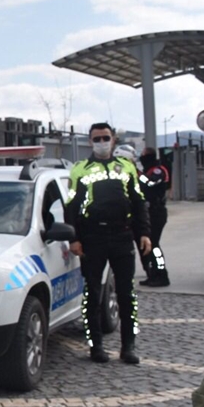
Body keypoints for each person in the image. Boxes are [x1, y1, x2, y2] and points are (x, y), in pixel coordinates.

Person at [65, 123, 151, 365]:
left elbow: (138, 201)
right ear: (90, 141)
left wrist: (144, 233)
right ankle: (96, 347)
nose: (101, 142)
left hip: (122, 235)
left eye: (105, 137)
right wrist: (74, 238)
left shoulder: (127, 167)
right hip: (93, 237)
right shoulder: (80, 169)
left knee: (126, 294)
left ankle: (129, 346)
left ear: (113, 140)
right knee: (92, 294)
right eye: (96, 138)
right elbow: (71, 206)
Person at [138, 147, 171, 287]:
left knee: (154, 245)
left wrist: (138, 174)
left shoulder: (159, 170)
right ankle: (153, 274)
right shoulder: (148, 170)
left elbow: (151, 183)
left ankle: (162, 274)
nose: (141, 158)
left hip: (157, 212)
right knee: (150, 246)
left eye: (143, 155)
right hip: (149, 212)